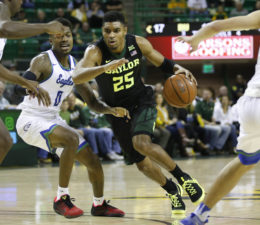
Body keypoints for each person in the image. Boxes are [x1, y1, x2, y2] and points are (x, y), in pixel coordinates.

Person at [72, 11, 205, 217]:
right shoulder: (95, 52)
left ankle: (184, 178)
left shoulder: (138, 43)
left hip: (142, 100)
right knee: (142, 165)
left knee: (141, 143)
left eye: (116, 30)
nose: (111, 35)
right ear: (103, 32)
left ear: (125, 30)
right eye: (107, 31)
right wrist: (106, 67)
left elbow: (161, 61)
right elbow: (77, 75)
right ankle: (171, 189)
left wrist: (178, 68)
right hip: (117, 111)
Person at [0, 0, 64, 224]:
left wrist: (23, 81)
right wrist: (46, 26)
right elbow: (4, 27)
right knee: (1, 140)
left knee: (0, 141)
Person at [16, 18, 126, 219]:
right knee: (71, 138)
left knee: (93, 161)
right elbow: (22, 83)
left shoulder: (76, 67)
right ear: (51, 39)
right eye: (59, 35)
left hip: (52, 120)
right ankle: (61, 199)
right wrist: (33, 85)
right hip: (30, 120)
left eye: (67, 35)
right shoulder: (42, 60)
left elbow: (92, 102)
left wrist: (110, 110)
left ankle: (99, 205)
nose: (64, 39)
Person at [177, 10, 260, 225]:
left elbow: (217, 26)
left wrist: (195, 39)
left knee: (245, 161)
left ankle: (200, 214)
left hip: (251, 105)